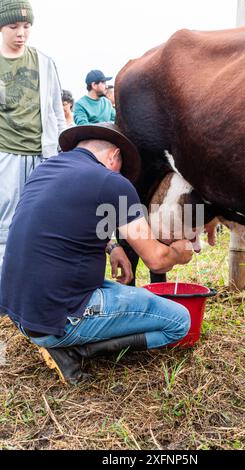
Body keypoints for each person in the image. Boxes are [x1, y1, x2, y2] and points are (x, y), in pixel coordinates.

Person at [0, 123, 193, 385]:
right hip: (59, 318)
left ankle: (65, 342)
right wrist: (181, 252)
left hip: (23, 314)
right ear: (114, 156)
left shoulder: (44, 170)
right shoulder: (112, 181)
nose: (121, 174)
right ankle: (74, 351)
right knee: (180, 321)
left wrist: (112, 247)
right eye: (121, 167)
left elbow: (58, 224)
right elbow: (156, 259)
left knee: (127, 296)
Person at [0, 0, 65, 283]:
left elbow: (55, 111)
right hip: (5, 153)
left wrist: (61, 149)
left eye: (26, 26)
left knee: (40, 219)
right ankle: (5, 289)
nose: (21, 33)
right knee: (5, 223)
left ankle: (32, 284)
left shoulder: (44, 62)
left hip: (42, 154)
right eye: (13, 26)